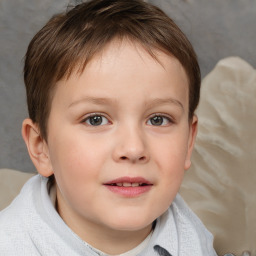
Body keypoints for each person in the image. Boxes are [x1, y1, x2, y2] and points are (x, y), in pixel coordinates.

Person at [0, 0, 217, 255]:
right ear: (41, 147)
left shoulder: (191, 236)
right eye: (95, 119)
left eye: (158, 119)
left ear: (189, 143)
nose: (134, 148)